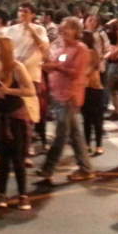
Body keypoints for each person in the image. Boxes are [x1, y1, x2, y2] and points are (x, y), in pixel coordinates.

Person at [0, 35, 38, 210]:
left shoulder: (17, 67)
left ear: (4, 49)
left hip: (16, 116)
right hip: (0, 116)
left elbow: (30, 90)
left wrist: (8, 90)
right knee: (3, 158)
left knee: (18, 158)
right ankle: (2, 194)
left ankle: (22, 195)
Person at [39, 17, 94, 183]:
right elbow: (55, 63)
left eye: (67, 28)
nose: (63, 32)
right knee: (75, 134)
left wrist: (56, 67)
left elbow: (76, 72)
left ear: (77, 31)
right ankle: (86, 168)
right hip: (58, 95)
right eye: (61, 28)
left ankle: (48, 168)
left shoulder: (81, 49)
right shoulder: (61, 47)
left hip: (69, 96)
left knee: (61, 135)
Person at [5, 3, 50, 149]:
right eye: (20, 11)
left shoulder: (40, 29)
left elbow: (44, 48)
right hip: (14, 76)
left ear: (32, 14)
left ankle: (27, 145)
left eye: (25, 11)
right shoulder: (11, 30)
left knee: (29, 112)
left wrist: (30, 28)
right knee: (14, 112)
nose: (22, 14)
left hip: (31, 76)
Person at [80, 30, 107, 157]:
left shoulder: (92, 53)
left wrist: (82, 75)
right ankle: (86, 143)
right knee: (87, 119)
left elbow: (93, 68)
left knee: (97, 120)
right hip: (85, 89)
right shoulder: (79, 53)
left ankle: (99, 145)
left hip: (95, 89)